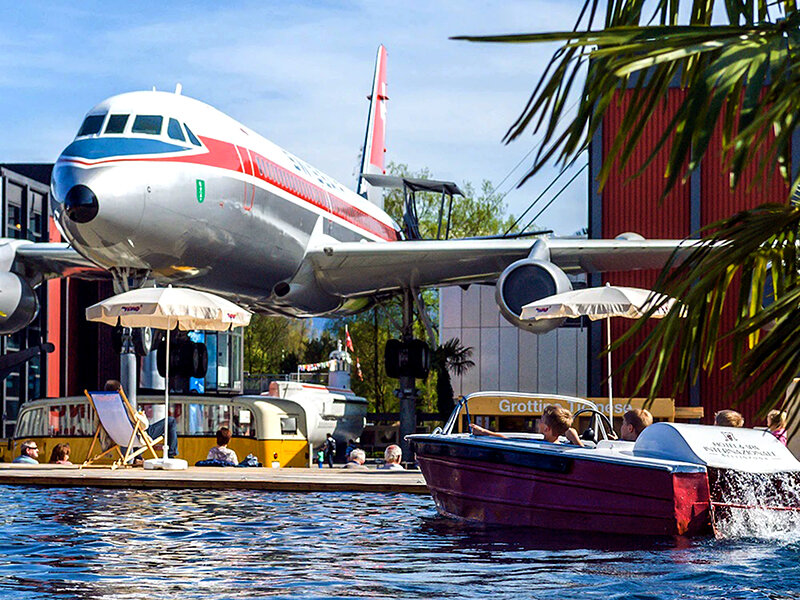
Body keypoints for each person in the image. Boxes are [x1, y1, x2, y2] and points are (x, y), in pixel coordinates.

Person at [104, 380, 179, 457]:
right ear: (120, 390)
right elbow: (143, 425)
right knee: (171, 421)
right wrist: (142, 416)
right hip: (136, 436)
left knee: (134, 429)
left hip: (118, 438)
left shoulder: (104, 409)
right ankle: (171, 454)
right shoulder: (123, 406)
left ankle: (138, 457)